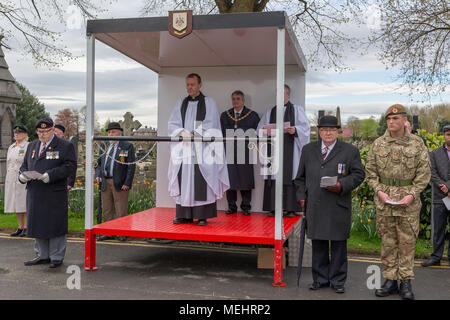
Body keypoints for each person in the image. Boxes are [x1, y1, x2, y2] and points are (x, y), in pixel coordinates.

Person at [365, 104, 431, 300]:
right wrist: (379, 192)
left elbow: (424, 173)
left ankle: (406, 282)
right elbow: (370, 172)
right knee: (388, 242)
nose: (391, 122)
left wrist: (411, 195)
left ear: (404, 120)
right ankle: (390, 281)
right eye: (389, 119)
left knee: (407, 242)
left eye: (395, 119)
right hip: (385, 201)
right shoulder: (378, 144)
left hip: (408, 201)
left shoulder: (417, 143)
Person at [295, 115, 364, 293]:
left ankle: (338, 281)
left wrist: (342, 185)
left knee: (339, 245)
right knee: (318, 244)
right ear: (319, 131)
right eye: (324, 129)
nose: (328, 133)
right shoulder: (308, 149)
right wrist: (301, 196)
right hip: (315, 205)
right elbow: (300, 178)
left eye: (332, 130)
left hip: (337, 204)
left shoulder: (350, 151)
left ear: (338, 132)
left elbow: (358, 175)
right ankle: (320, 279)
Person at [168, 73, 229, 226]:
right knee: (184, 179)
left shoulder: (209, 102)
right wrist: (182, 133)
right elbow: (173, 123)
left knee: (201, 178)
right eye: (187, 84)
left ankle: (202, 215)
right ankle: (184, 215)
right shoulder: (181, 103)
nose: (189, 87)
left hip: (202, 148)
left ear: (200, 85)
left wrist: (194, 134)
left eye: (192, 84)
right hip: (184, 147)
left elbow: (212, 123)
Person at [19, 118, 77, 268]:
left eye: (45, 131)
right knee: (38, 223)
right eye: (39, 132)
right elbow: (25, 165)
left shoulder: (65, 146)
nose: (42, 135)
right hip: (35, 191)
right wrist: (22, 175)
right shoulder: (32, 145)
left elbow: (70, 166)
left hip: (54, 192)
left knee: (55, 224)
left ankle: (56, 257)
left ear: (52, 130)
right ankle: (42, 255)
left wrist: (50, 175)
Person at [257, 84, 310, 217]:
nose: (279, 97)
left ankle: (290, 208)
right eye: (277, 94)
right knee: (274, 176)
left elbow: (305, 129)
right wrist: (263, 130)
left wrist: (296, 130)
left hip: (290, 151)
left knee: (289, 175)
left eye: (282, 94)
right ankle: (273, 208)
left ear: (288, 95)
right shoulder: (270, 111)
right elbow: (260, 128)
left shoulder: (297, 110)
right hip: (273, 150)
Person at [220, 90, 260, 215]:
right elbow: (222, 132)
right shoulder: (225, 115)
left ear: (243, 100)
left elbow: (256, 133)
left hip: (245, 151)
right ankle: (231, 206)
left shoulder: (252, 115)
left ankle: (246, 207)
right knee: (230, 178)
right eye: (233, 99)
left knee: (245, 178)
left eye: (238, 99)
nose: (235, 101)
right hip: (230, 150)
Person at [95, 122, 136, 241]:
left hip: (120, 182)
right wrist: (98, 175)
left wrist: (127, 183)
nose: (110, 134)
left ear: (120, 132)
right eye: (108, 132)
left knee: (120, 209)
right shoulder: (104, 145)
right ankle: (108, 232)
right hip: (105, 182)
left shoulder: (127, 146)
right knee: (107, 209)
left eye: (112, 132)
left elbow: (131, 166)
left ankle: (121, 232)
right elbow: (98, 164)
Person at [421, 124, 450, 267]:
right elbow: (432, 173)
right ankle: (436, 257)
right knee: (438, 229)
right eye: (448, 134)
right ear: (444, 136)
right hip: (440, 197)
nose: (449, 137)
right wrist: (444, 188)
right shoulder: (434, 153)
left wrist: (448, 186)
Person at [5, 124, 29, 237]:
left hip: (23, 178)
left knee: (24, 202)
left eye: (19, 133)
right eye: (15, 133)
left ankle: (27, 226)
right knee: (16, 203)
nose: (17, 134)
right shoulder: (12, 147)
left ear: (25, 135)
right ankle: (20, 226)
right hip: (11, 178)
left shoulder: (28, 146)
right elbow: (8, 163)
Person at [54, 123, 76, 190]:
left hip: (63, 181)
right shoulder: (51, 144)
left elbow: (72, 165)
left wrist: (70, 182)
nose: (53, 134)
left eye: (55, 132)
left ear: (61, 133)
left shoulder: (67, 145)